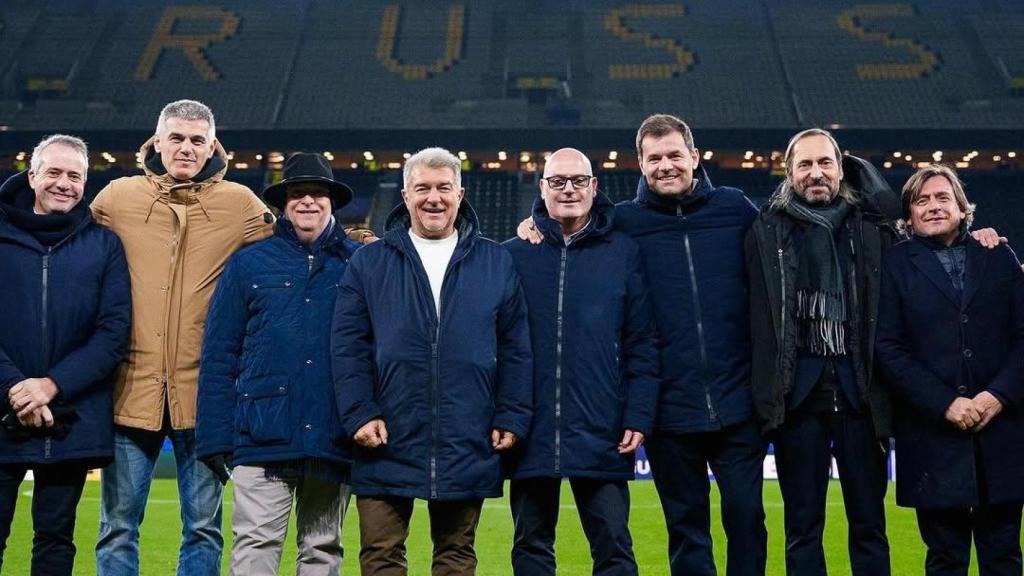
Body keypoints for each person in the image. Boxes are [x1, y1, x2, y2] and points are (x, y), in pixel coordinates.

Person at [521, 114, 768, 575]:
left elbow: (781, 247)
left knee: (747, 518)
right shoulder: (625, 224)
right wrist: (532, 223)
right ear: (640, 163)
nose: (666, 165)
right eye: (655, 158)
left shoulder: (735, 209)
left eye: (675, 155)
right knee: (687, 528)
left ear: (694, 157)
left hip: (737, 403)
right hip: (670, 411)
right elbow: (570, 224)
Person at [91, 99, 275, 576]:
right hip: (130, 388)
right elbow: (74, 257)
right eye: (176, 138)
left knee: (204, 529)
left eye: (197, 140)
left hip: (207, 397)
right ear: (156, 142)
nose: (187, 148)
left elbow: (284, 266)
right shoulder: (116, 198)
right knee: (117, 527)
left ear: (213, 146)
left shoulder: (242, 206)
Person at [332, 147, 532, 575]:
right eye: (422, 188)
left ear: (461, 193)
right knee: (381, 556)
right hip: (384, 433)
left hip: (467, 432)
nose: (433, 198)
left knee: (456, 557)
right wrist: (359, 413)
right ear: (405, 195)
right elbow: (347, 346)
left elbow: (516, 347)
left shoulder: (496, 261)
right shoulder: (370, 262)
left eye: (444, 188)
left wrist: (512, 415)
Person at [197, 153, 360, 576]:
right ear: (283, 203)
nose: (308, 201)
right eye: (297, 193)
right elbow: (219, 353)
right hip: (261, 435)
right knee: (254, 547)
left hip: (331, 434)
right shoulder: (248, 263)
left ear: (332, 202)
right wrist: (215, 439)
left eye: (318, 193)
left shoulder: (359, 263)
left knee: (323, 550)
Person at [746, 128, 896, 576]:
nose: (816, 173)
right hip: (797, 399)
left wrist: (979, 234)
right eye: (805, 165)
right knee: (802, 529)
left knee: (870, 526)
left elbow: (931, 236)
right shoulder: (763, 231)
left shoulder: (872, 229)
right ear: (788, 173)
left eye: (825, 163)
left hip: (861, 397)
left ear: (841, 168)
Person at [503, 148, 660, 576]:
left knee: (614, 548)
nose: (568, 189)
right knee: (531, 547)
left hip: (603, 427)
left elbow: (642, 342)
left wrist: (638, 413)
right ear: (542, 189)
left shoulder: (624, 252)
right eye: (557, 181)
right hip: (531, 429)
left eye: (577, 180)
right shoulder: (513, 254)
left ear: (594, 186)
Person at [876, 164, 1024, 576]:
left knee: (1005, 556)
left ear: (963, 209)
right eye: (921, 201)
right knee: (944, 559)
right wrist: (946, 403)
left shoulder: (998, 255)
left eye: (943, 198)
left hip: (1002, 432)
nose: (933, 206)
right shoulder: (894, 265)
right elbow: (888, 348)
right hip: (932, 434)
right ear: (908, 216)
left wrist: (998, 395)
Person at [0, 135, 131, 575]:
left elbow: (113, 333)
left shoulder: (104, 244)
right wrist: (17, 389)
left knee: (56, 541)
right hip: (3, 411)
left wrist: (50, 386)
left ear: (86, 183)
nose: (64, 183)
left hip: (72, 414)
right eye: (53, 172)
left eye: (75, 175)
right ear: (32, 175)